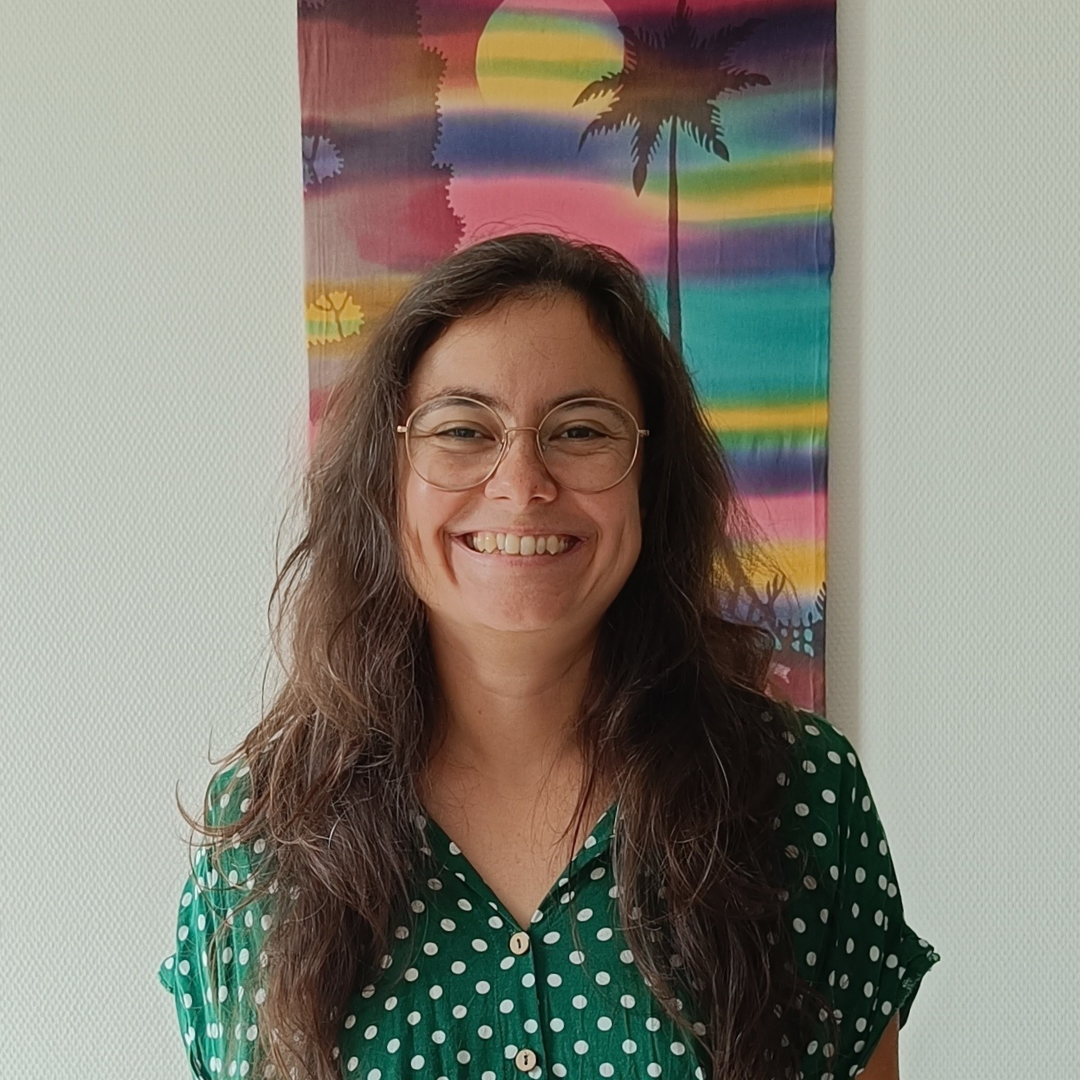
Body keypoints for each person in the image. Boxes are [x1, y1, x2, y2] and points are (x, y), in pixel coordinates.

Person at [158, 232, 939, 1080]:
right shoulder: (269, 831)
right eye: (462, 428)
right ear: (388, 479)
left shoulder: (801, 796)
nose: (522, 481)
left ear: (650, 478)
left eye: (579, 429)